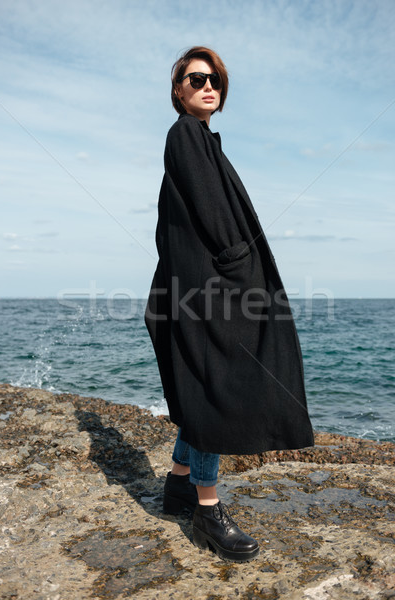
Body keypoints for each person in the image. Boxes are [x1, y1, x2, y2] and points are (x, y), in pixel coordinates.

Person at [144, 46, 314, 562]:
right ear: (178, 91)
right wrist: (240, 266)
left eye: (215, 79)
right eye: (196, 79)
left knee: (203, 385)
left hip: (202, 284)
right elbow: (214, 216)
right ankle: (207, 507)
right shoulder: (185, 135)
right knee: (217, 389)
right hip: (211, 287)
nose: (208, 86)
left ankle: (178, 484)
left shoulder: (199, 139)